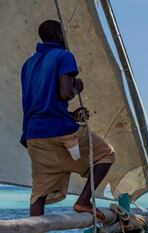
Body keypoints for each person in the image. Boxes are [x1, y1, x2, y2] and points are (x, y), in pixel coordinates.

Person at [20, 20, 115, 220]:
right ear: (57, 34)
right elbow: (65, 93)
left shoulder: (27, 65)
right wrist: (77, 87)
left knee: (39, 194)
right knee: (105, 155)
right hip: (61, 133)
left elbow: (39, 102)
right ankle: (83, 202)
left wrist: (70, 114)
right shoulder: (64, 56)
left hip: (34, 136)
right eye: (63, 32)